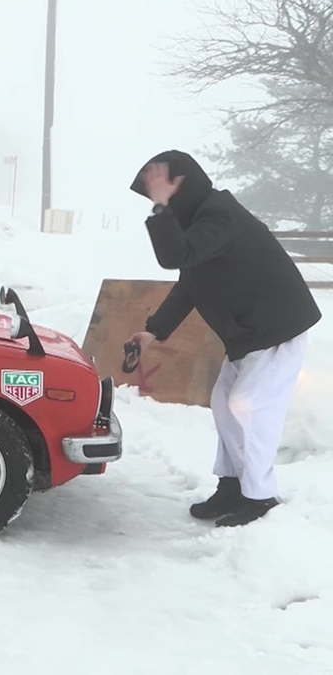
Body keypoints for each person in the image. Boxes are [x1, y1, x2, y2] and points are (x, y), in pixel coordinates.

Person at [127, 150, 321, 527]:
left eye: (161, 192)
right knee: (225, 403)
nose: (157, 200)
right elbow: (190, 282)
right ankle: (232, 485)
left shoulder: (219, 216)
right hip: (249, 333)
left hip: (277, 329)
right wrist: (153, 331)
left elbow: (175, 256)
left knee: (250, 407)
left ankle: (259, 496)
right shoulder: (202, 222)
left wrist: (161, 208)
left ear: (181, 187)